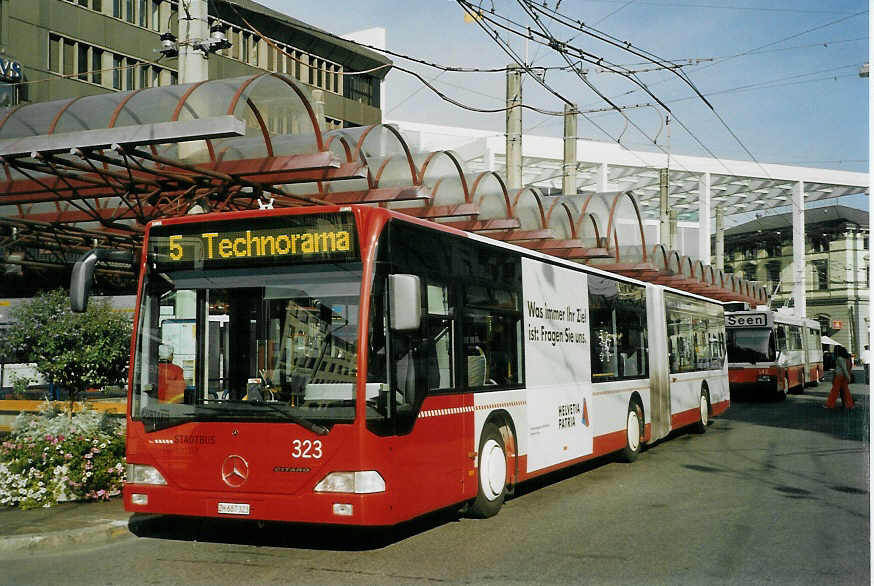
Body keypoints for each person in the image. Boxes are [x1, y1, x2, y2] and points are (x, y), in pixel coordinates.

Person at [824, 345, 854, 410]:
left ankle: (830, 404)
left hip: (839, 376)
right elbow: (844, 368)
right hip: (843, 377)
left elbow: (843, 368)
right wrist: (847, 376)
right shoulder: (846, 358)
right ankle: (850, 404)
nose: (834, 351)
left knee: (834, 391)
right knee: (846, 391)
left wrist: (848, 377)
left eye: (834, 350)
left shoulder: (839, 358)